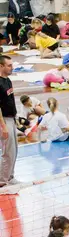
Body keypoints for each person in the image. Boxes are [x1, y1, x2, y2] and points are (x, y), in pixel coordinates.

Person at [0, 55, 17, 194]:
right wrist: (3, 126)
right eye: (9, 65)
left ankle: (10, 177)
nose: (12, 67)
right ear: (1, 66)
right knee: (7, 152)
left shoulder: (8, 80)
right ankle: (2, 181)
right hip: (3, 120)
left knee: (14, 150)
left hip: (11, 119)